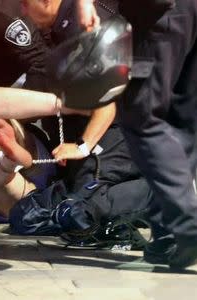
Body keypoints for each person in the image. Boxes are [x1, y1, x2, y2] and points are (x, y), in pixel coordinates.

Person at [0, 0, 147, 226]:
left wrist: (82, 145)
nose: (22, 11)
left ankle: (168, 191)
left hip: (113, 138)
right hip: (68, 151)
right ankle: (13, 163)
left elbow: (109, 99)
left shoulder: (81, 24)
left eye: (25, 3)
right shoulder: (56, 31)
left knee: (83, 210)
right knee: (25, 213)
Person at [78, 0, 197, 269]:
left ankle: (187, 222)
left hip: (157, 14)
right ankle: (168, 234)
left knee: (141, 117)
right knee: (179, 120)